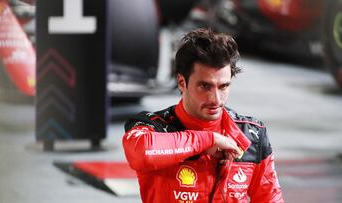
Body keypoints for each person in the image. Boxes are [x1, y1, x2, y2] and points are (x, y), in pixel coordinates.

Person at [122, 28, 284, 203]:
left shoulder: (253, 134)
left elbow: (270, 199)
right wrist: (208, 140)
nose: (215, 99)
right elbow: (141, 153)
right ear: (182, 82)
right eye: (204, 86)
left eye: (223, 86)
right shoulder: (155, 127)